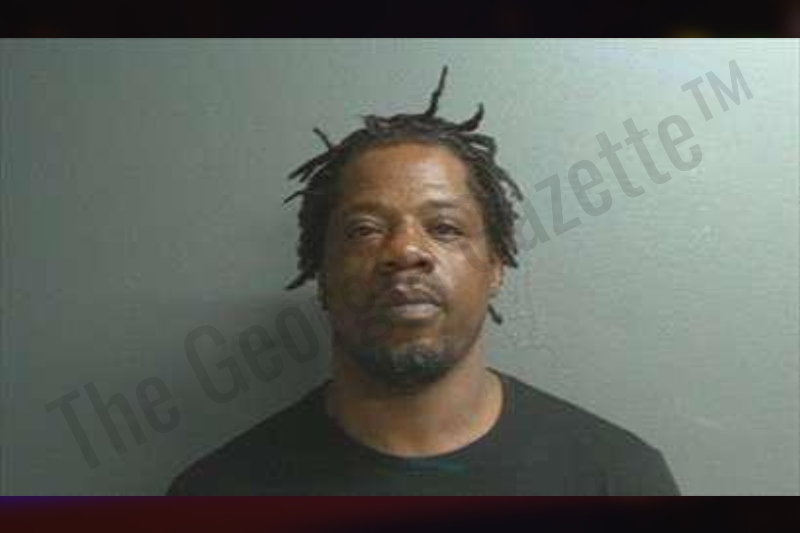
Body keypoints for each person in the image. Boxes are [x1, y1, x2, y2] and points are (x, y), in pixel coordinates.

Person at [166, 67, 680, 495]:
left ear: (496, 266)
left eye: (444, 228)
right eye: (364, 230)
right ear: (321, 273)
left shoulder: (618, 480)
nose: (405, 251)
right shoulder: (216, 494)